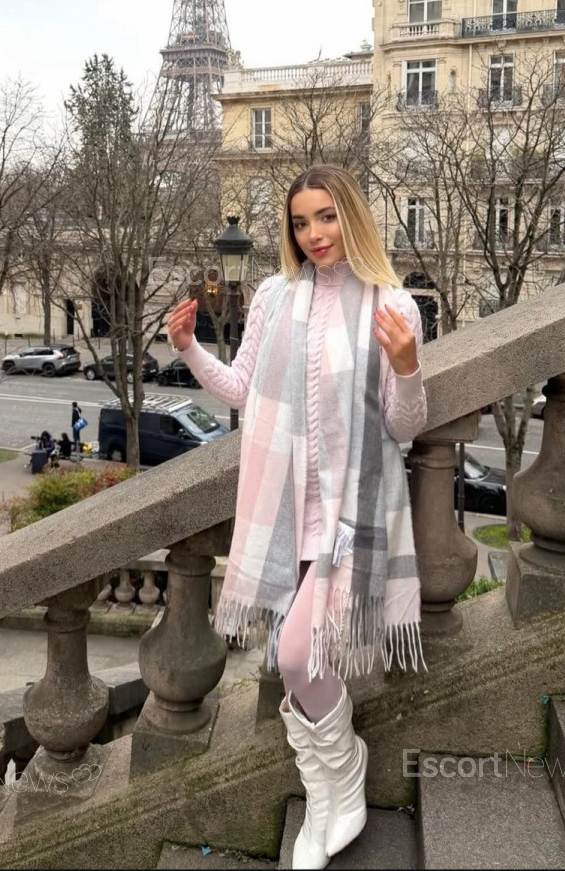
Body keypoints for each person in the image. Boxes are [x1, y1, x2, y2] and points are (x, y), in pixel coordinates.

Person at [166, 164, 428, 870]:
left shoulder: (392, 306)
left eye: (327, 217)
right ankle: (330, 792)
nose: (314, 234)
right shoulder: (275, 297)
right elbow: (240, 388)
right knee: (296, 659)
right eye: (301, 221)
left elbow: (404, 427)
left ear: (352, 217)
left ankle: (340, 774)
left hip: (350, 516)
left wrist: (407, 367)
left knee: (290, 657)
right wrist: (189, 348)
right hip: (285, 511)